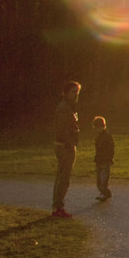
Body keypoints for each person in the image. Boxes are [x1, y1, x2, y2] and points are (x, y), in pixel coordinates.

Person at [52, 81, 81, 217]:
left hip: (67, 145)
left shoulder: (69, 107)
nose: (76, 94)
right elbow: (62, 129)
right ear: (66, 93)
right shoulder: (64, 108)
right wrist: (69, 143)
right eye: (73, 92)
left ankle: (57, 206)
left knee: (62, 176)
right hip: (65, 146)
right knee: (64, 178)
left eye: (77, 92)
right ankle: (58, 207)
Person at [93, 116, 114, 201]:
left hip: (105, 159)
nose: (98, 129)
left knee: (103, 178)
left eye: (99, 127)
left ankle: (105, 193)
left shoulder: (107, 136)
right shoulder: (98, 137)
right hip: (99, 159)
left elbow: (111, 148)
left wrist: (110, 158)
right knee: (99, 179)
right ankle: (105, 192)